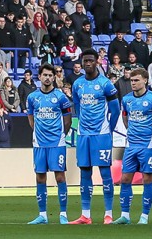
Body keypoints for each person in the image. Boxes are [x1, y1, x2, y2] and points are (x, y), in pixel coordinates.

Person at [69, 49, 120, 225]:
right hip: (84, 134)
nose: (88, 63)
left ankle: (108, 214)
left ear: (97, 61)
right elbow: (77, 106)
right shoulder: (78, 84)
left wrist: (108, 130)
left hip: (101, 134)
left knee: (105, 173)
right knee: (85, 172)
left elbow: (115, 110)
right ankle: (85, 215)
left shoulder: (105, 84)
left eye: (91, 60)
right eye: (85, 61)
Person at [113, 68, 152, 225]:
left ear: (145, 81)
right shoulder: (127, 99)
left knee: (147, 178)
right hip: (131, 144)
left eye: (136, 80)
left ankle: (144, 216)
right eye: (132, 80)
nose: (133, 83)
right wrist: (131, 131)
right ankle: (125, 215)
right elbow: (125, 117)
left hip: (147, 144)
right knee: (125, 179)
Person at [26, 63, 73, 225]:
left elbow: (68, 120)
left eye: (50, 75)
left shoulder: (61, 97)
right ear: (39, 77)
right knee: (40, 177)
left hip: (56, 142)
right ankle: (42, 215)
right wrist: (38, 132)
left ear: (54, 77)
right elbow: (31, 118)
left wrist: (60, 136)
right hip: (39, 143)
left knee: (60, 177)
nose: (47, 78)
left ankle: (63, 214)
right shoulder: (32, 97)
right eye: (44, 75)